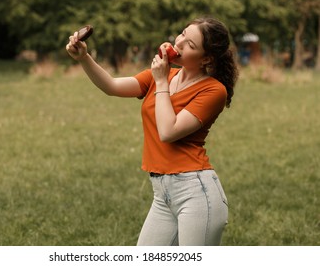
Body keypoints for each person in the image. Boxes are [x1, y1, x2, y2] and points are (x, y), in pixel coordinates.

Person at [66, 17, 239, 246]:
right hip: (162, 195)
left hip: (196, 194)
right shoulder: (162, 76)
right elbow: (112, 86)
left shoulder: (213, 91)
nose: (179, 43)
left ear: (206, 58)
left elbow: (168, 131)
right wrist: (84, 58)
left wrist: (161, 83)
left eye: (190, 45)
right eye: (182, 34)